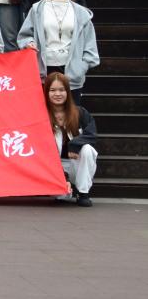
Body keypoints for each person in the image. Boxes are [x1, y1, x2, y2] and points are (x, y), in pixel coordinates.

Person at [18, 0, 99, 104]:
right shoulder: (37, 9)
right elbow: (24, 35)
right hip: (43, 68)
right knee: (44, 111)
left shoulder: (81, 13)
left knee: (72, 111)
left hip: (72, 69)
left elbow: (90, 45)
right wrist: (29, 43)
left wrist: (81, 67)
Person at [46, 72, 97, 207]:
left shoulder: (80, 112)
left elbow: (91, 134)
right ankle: (63, 187)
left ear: (67, 92)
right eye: (53, 90)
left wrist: (74, 144)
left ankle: (83, 192)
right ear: (46, 92)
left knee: (87, 149)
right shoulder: (42, 116)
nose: (58, 94)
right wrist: (63, 177)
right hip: (53, 167)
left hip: (77, 163)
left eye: (61, 90)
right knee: (62, 197)